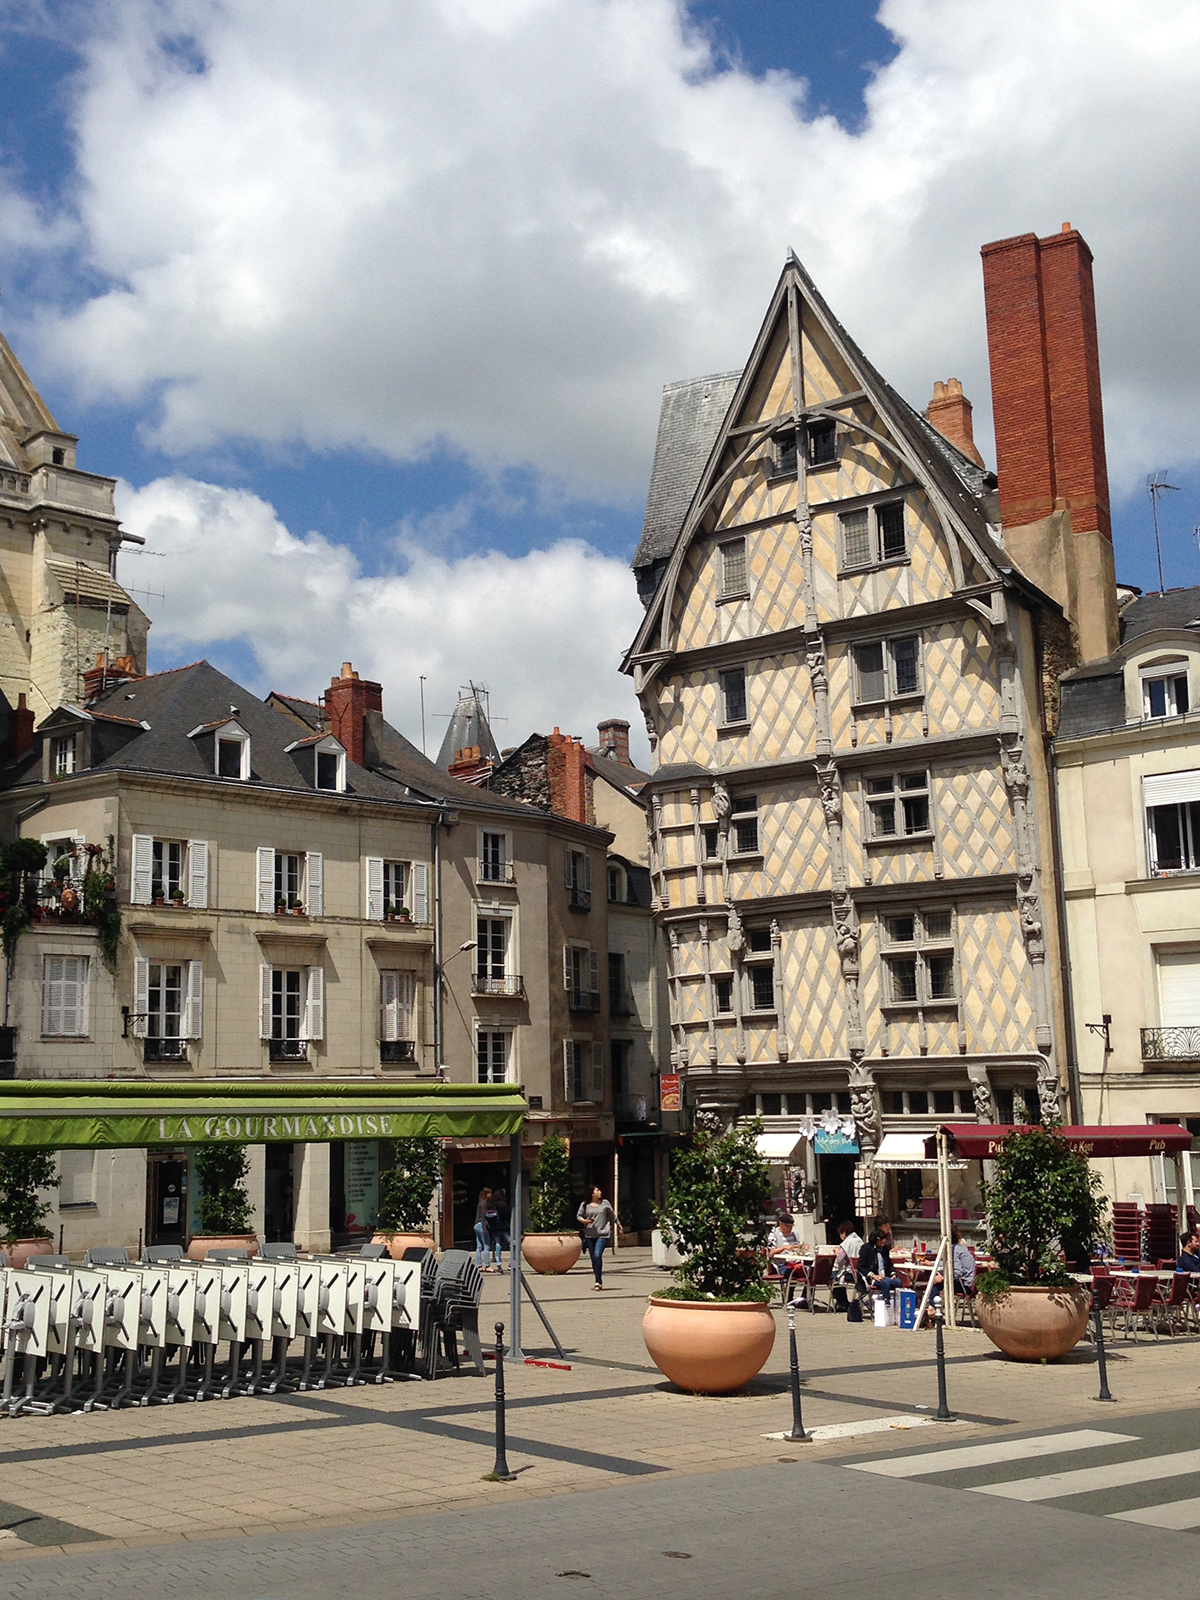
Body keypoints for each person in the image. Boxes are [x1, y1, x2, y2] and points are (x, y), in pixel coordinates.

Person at [577, 1186, 622, 1289]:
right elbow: (578, 1215)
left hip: (603, 1234)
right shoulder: (585, 1204)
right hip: (589, 1234)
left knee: (597, 1255)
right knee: (594, 1258)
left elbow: (612, 1216)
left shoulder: (605, 1203)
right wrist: (584, 1221)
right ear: (592, 1193)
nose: (599, 1192)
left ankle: (598, 1281)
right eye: (597, 1190)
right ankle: (598, 1280)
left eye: (599, 1190)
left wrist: (619, 1225)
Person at [927, 1226, 976, 1303]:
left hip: (965, 1286)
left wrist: (943, 1277)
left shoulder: (953, 1250)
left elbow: (957, 1272)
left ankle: (932, 1307)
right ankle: (932, 1306)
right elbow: (949, 1263)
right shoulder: (958, 1248)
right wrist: (931, 1263)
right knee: (937, 1278)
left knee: (937, 1281)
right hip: (970, 1283)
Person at [857, 1228, 903, 1305]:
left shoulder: (885, 1249)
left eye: (885, 1239)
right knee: (885, 1282)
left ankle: (898, 1304)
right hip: (872, 1278)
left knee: (898, 1282)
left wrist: (893, 1273)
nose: (884, 1241)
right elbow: (860, 1266)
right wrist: (873, 1275)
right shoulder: (866, 1248)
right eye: (881, 1239)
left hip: (885, 1276)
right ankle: (886, 1303)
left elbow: (888, 1264)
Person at [767, 1212, 803, 1297]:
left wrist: (802, 1247)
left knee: (810, 1273)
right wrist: (783, 1248)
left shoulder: (794, 1234)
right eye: (788, 1226)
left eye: (791, 1226)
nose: (790, 1229)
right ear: (781, 1224)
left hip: (795, 1262)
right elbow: (771, 1253)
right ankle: (789, 1297)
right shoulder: (774, 1234)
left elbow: (797, 1247)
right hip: (782, 1264)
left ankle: (805, 1298)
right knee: (792, 1273)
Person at [486, 1188, 511, 1273]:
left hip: (494, 1228)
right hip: (503, 1227)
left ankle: (498, 1264)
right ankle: (511, 1263)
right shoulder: (502, 1204)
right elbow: (506, 1214)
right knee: (512, 1244)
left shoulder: (490, 1204)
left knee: (498, 1245)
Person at [473, 1186, 493, 1270]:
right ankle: (487, 1265)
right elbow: (483, 1217)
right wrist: (485, 1229)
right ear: (486, 1194)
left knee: (479, 1246)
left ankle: (479, 1265)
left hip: (476, 1225)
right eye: (489, 1193)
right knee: (486, 1246)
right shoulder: (484, 1203)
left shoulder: (480, 1202)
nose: (491, 1195)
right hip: (481, 1225)